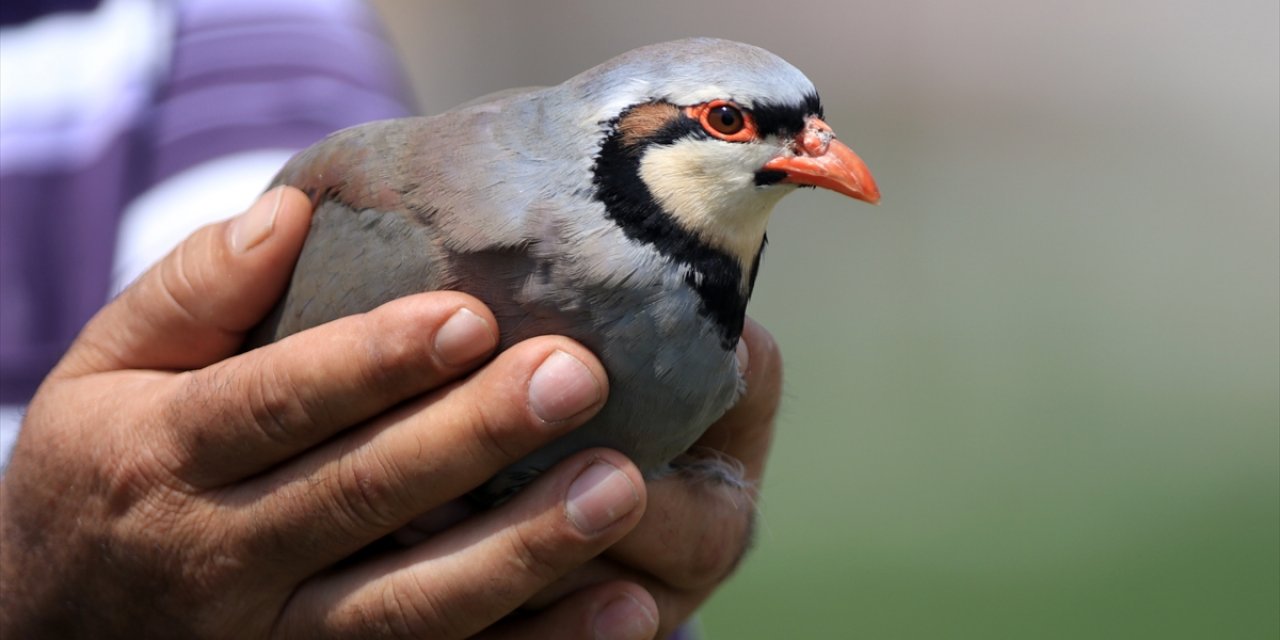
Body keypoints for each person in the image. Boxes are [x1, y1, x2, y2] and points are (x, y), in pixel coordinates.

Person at [0, 2, 783, 638]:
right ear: (627, 130)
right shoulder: (419, 223)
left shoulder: (261, 28)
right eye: (730, 122)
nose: (812, 151)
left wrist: (659, 572)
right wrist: (34, 579)